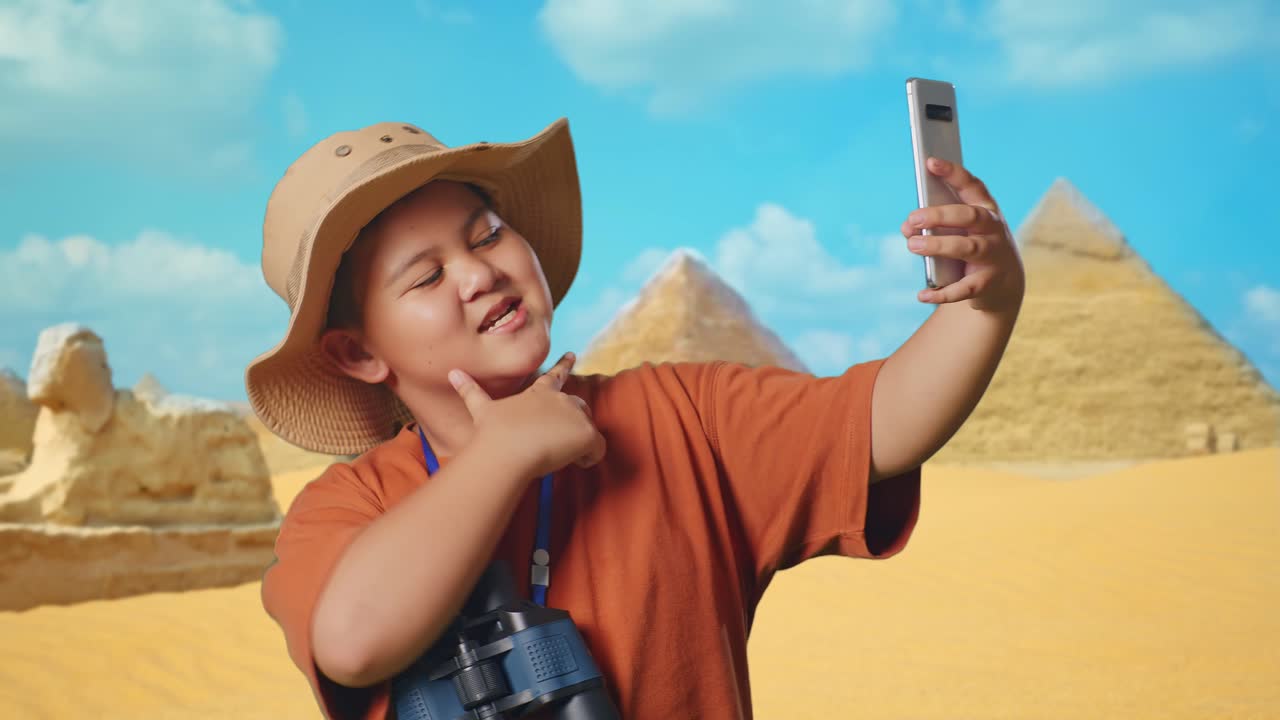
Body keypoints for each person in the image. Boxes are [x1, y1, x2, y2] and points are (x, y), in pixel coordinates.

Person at [247, 117, 1025, 720]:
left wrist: (986, 304)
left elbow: (884, 422)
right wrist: (501, 456)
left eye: (486, 234)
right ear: (356, 354)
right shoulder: (347, 509)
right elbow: (352, 640)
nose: (480, 272)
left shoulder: (682, 417)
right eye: (426, 276)